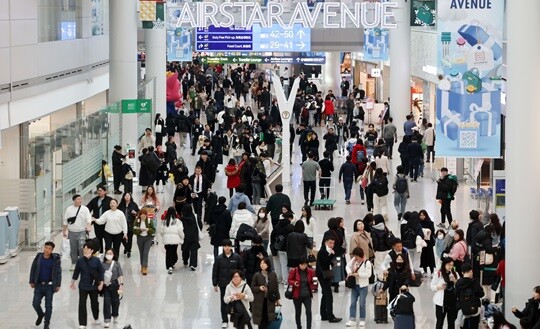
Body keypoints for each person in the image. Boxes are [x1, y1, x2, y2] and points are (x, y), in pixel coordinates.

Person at [71, 242, 104, 329]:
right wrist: (72, 282)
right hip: (83, 286)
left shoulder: (96, 261)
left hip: (93, 286)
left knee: (94, 303)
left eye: (87, 249)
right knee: (82, 304)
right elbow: (76, 272)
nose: (85, 250)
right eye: (84, 249)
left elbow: (101, 273)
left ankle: (96, 317)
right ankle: (82, 323)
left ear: (92, 250)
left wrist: (101, 283)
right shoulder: (80, 260)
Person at [213, 239, 245, 328]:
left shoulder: (237, 257)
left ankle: (237, 319)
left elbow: (241, 270)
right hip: (223, 284)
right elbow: (215, 271)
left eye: (228, 246)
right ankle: (224, 320)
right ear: (223, 247)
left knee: (237, 301)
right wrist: (215, 283)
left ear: (231, 246)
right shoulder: (219, 258)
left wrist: (242, 281)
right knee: (224, 302)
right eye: (225, 246)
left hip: (235, 284)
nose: (227, 248)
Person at [29, 241, 61, 329]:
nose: (47, 250)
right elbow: (33, 268)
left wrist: (58, 284)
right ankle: (40, 314)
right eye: (46, 248)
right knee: (35, 303)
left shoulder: (55, 259)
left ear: (52, 250)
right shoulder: (39, 257)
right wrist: (31, 281)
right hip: (39, 285)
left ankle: (46, 324)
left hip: (49, 286)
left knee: (48, 305)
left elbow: (58, 272)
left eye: (49, 249)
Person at [316, 237, 342, 323]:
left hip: (325, 275)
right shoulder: (323, 251)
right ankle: (330, 316)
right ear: (326, 243)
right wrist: (332, 255)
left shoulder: (327, 251)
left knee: (325, 294)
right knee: (328, 296)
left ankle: (324, 314)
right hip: (322, 275)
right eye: (330, 243)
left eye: (333, 243)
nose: (332, 245)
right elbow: (325, 262)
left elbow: (327, 262)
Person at [64, 194, 92, 270]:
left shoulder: (85, 209)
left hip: (81, 232)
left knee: (81, 247)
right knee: (73, 249)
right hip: (72, 232)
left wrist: (88, 226)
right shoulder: (69, 209)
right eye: (78, 199)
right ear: (74, 200)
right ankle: (74, 263)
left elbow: (88, 219)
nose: (80, 200)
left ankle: (82, 263)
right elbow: (65, 221)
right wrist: (64, 231)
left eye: (80, 199)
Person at [345, 247, 372, 327]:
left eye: (357, 256)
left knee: (362, 304)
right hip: (354, 285)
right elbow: (347, 266)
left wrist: (358, 275)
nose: (355, 258)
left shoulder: (367, 263)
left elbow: (368, 274)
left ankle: (362, 319)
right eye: (355, 256)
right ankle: (352, 319)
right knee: (352, 303)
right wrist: (350, 272)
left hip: (363, 286)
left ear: (361, 255)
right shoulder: (354, 260)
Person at [251, 257, 280, 329]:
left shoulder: (273, 274)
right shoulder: (257, 275)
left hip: (270, 300)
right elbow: (252, 288)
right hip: (259, 301)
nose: (262, 265)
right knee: (261, 320)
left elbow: (276, 287)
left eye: (264, 263)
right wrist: (259, 288)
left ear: (268, 264)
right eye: (261, 263)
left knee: (269, 319)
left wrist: (278, 298)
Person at [289, 257, 317, 329]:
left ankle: (309, 327)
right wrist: (294, 282)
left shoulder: (311, 271)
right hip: (297, 295)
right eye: (302, 265)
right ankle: (299, 327)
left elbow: (314, 281)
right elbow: (289, 280)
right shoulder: (294, 271)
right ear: (299, 264)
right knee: (298, 313)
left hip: (307, 295)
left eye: (305, 265)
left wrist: (314, 287)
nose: (303, 266)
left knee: (308, 312)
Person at [431, 257, 458, 329]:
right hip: (441, 302)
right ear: (444, 265)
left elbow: (459, 287)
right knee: (440, 321)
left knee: (451, 322)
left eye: (452, 265)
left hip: (452, 302)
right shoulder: (439, 274)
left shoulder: (455, 274)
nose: (450, 267)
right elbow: (432, 286)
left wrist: (455, 281)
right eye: (449, 265)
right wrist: (439, 287)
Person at [455, 264, 484, 329]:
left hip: (463, 309)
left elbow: (456, 294)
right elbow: (481, 294)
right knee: (474, 325)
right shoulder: (475, 282)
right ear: (471, 271)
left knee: (463, 325)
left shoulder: (458, 283)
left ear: (462, 272)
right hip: (475, 308)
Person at [101, 249, 124, 328]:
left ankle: (115, 314)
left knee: (115, 301)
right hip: (106, 285)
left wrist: (121, 284)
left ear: (113, 255)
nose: (108, 255)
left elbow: (120, 274)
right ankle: (107, 320)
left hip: (115, 285)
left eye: (110, 253)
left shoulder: (117, 264)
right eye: (107, 253)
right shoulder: (102, 264)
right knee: (106, 302)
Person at [323, 217, 347, 293]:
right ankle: (336, 285)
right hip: (338, 254)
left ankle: (330, 283)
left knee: (329, 268)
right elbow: (342, 243)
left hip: (329, 253)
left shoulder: (327, 233)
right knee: (336, 269)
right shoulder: (339, 232)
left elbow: (323, 244)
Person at [87, 185, 113, 253]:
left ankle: (108, 252)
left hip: (107, 223)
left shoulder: (110, 200)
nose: (99, 192)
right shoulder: (95, 200)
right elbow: (87, 209)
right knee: (98, 238)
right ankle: (100, 252)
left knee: (107, 239)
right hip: (97, 222)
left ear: (105, 191)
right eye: (98, 190)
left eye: (101, 190)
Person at [270, 212, 295, 284]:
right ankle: (291, 279)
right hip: (289, 248)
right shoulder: (291, 227)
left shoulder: (277, 226)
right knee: (290, 264)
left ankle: (285, 280)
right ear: (290, 218)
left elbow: (272, 236)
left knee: (283, 265)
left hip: (280, 248)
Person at [160, 207, 185, 274]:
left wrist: (164, 236)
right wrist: (182, 237)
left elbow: (161, 231)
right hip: (175, 240)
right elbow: (180, 231)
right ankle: (173, 262)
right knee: (174, 252)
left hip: (166, 240)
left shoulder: (164, 221)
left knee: (168, 253)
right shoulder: (178, 221)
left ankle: (169, 266)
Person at [133, 209, 155, 275]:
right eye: (141, 216)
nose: (143, 217)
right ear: (139, 215)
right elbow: (134, 230)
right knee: (141, 252)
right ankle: (142, 265)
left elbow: (153, 230)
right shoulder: (137, 221)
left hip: (148, 238)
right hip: (140, 238)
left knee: (145, 252)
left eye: (144, 216)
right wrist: (139, 230)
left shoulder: (149, 221)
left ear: (146, 215)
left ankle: (145, 267)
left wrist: (148, 229)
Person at [371, 214, 393, 280]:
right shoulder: (385, 227)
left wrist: (374, 249)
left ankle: (380, 278)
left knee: (378, 265)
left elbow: (375, 242)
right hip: (387, 250)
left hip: (379, 251)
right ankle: (387, 277)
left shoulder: (374, 229)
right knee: (386, 264)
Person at [117, 192, 139, 259]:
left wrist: (135, 213)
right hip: (122, 224)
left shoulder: (134, 204)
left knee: (130, 238)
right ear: (123, 197)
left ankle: (129, 251)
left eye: (128, 195)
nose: (127, 197)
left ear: (130, 196)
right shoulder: (121, 205)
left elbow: (139, 213)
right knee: (121, 237)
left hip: (130, 223)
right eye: (125, 195)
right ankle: (126, 247)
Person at [180, 203, 200, 270]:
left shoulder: (182, 219)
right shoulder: (195, 217)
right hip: (194, 236)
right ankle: (193, 264)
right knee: (194, 250)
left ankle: (185, 260)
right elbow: (200, 225)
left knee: (185, 249)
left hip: (185, 237)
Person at [419, 210, 436, 276]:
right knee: (423, 256)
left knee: (430, 256)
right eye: (420, 215)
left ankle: (432, 271)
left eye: (423, 215)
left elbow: (432, 231)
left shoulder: (430, 222)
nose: (421, 217)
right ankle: (425, 270)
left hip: (429, 242)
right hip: (422, 242)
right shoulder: (418, 223)